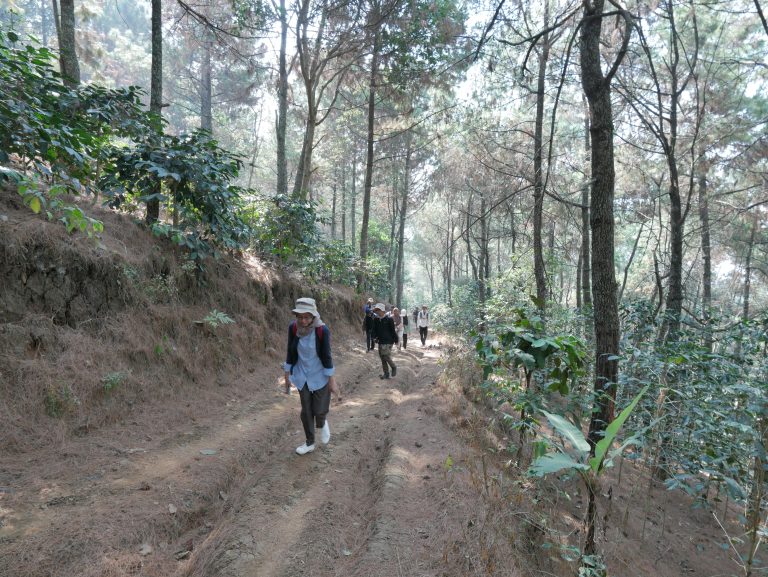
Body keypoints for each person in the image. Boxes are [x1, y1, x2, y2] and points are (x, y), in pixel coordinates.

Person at [283, 297, 339, 455]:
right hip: (301, 374)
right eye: (299, 317)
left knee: (319, 409)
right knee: (306, 410)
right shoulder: (293, 328)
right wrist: (287, 375)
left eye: (307, 317)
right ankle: (309, 442)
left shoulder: (322, 330)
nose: (303, 320)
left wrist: (332, 381)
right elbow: (289, 351)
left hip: (320, 374)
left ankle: (322, 422)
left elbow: (327, 356)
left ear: (313, 316)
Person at [372, 303, 398, 379]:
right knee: (382, 358)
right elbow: (374, 330)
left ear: (382, 310)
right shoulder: (376, 319)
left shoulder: (389, 319)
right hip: (380, 341)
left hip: (388, 341)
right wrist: (373, 337)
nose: (376, 312)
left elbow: (393, 331)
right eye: (376, 310)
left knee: (385, 356)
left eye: (378, 310)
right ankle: (386, 373)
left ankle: (393, 367)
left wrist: (396, 340)